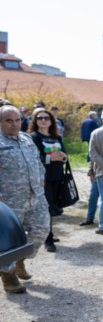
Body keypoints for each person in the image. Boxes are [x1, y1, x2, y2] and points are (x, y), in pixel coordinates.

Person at [0, 105, 50, 293]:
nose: (14, 124)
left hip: (35, 197)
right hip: (8, 204)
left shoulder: (27, 139)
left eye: (17, 120)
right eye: (9, 121)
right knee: (7, 242)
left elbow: (37, 163)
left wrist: (41, 180)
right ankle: (8, 276)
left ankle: (20, 261)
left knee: (42, 230)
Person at [28, 107, 68, 252]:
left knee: (54, 208)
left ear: (51, 121)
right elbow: (33, 158)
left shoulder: (56, 137)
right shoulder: (33, 137)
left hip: (58, 176)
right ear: (35, 121)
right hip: (43, 178)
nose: (43, 120)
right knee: (47, 208)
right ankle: (48, 239)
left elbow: (64, 155)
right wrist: (51, 157)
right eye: (40, 118)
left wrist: (62, 157)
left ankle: (48, 233)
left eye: (46, 118)